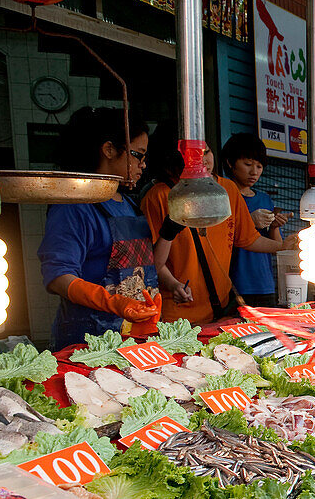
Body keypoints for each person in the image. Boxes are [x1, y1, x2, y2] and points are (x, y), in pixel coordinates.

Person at [38, 107, 160, 349]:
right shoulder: (74, 208)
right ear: (109, 150)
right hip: (89, 340)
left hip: (136, 336)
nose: (143, 165)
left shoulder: (130, 205)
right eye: (138, 155)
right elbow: (57, 277)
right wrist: (113, 302)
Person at [142, 143, 296, 324]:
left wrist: (283, 247)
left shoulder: (228, 189)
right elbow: (152, 261)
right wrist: (173, 284)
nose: (203, 160)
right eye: (193, 156)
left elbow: (248, 239)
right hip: (176, 314)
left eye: (206, 152)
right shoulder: (158, 196)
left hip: (219, 308)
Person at [220, 133, 292, 307]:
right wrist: (249, 221)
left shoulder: (264, 199)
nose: (254, 172)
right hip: (234, 283)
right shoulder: (222, 196)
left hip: (264, 283)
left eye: (259, 166)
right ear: (230, 163)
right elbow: (220, 236)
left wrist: (274, 226)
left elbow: (276, 245)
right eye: (248, 164)